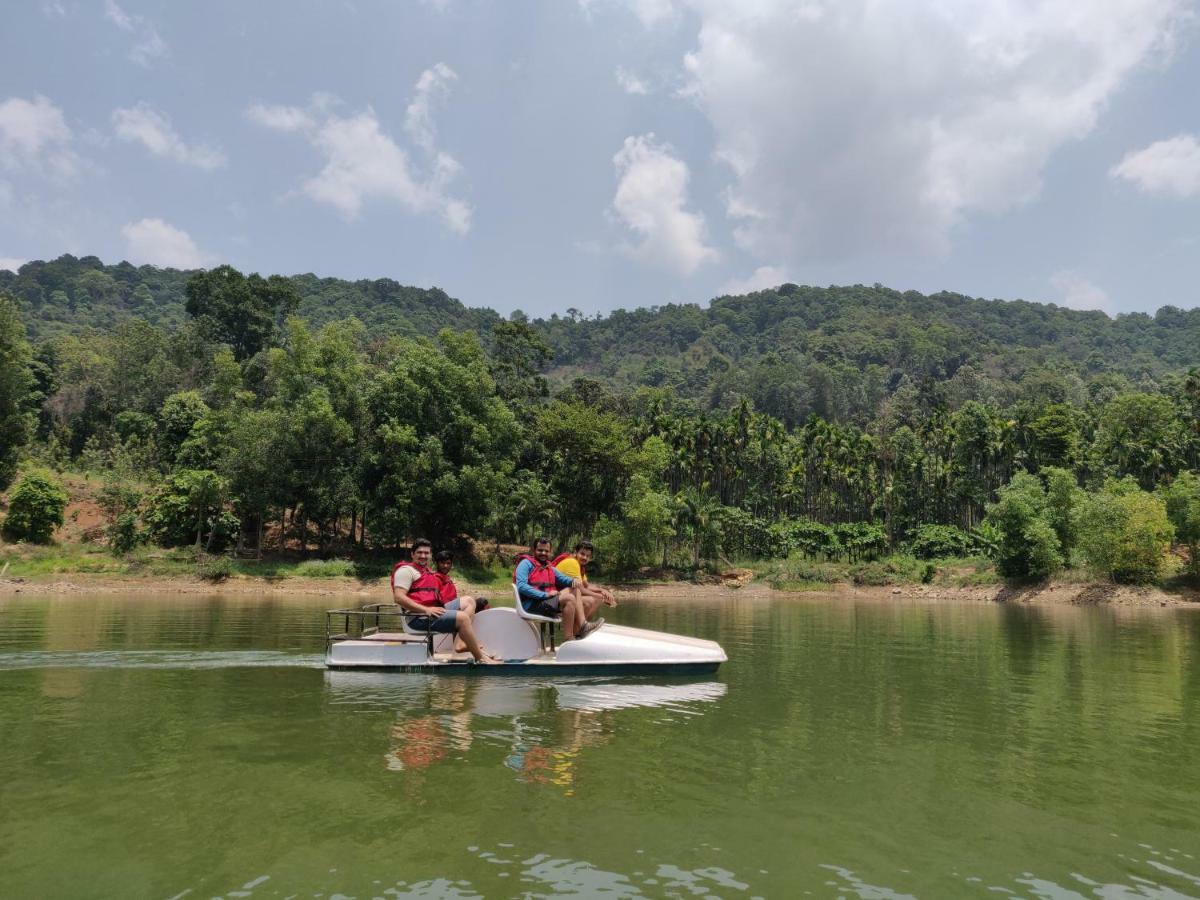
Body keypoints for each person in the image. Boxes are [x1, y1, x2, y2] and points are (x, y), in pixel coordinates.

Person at [393, 539, 498, 663]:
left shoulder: (426, 572)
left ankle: (460, 643)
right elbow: (398, 597)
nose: (423, 556)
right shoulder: (406, 571)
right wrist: (426, 609)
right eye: (419, 552)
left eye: (426, 553)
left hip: (431, 612)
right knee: (463, 618)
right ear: (412, 554)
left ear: (430, 555)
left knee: (469, 601)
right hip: (417, 617)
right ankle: (481, 658)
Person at [514, 537, 602, 640]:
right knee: (569, 599)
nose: (543, 553)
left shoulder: (549, 566)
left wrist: (573, 581)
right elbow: (522, 587)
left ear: (550, 552)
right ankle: (569, 638)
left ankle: (581, 628)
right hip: (531, 604)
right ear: (533, 550)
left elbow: (563, 578)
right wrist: (545, 595)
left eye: (546, 551)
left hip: (545, 602)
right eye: (540, 550)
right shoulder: (525, 564)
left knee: (575, 588)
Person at [551, 541, 618, 610]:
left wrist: (602, 590)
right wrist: (603, 597)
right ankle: (578, 621)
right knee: (589, 601)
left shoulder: (580, 566)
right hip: (554, 598)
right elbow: (580, 589)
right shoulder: (572, 562)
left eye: (588, 556)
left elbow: (586, 585)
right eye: (582, 554)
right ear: (576, 552)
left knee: (595, 599)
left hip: (563, 595)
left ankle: (581, 620)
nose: (585, 558)